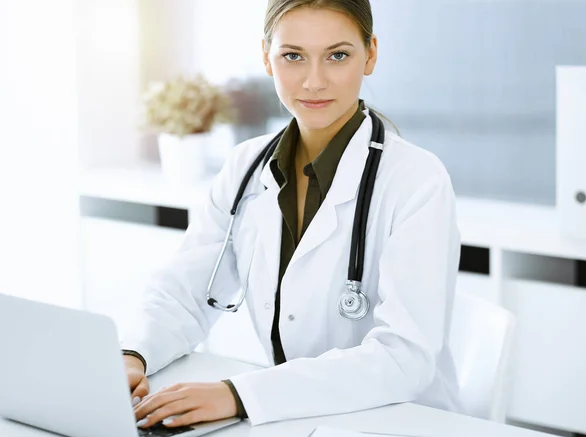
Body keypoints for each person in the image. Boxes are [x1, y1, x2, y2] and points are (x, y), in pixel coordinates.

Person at [121, 0, 462, 429]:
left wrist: (239, 394)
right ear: (266, 56)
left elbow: (404, 357)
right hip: (293, 419)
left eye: (337, 55)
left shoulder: (416, 179)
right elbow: (184, 292)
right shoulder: (246, 165)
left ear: (370, 54)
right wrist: (133, 354)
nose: (314, 81)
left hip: (402, 423)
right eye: (293, 56)